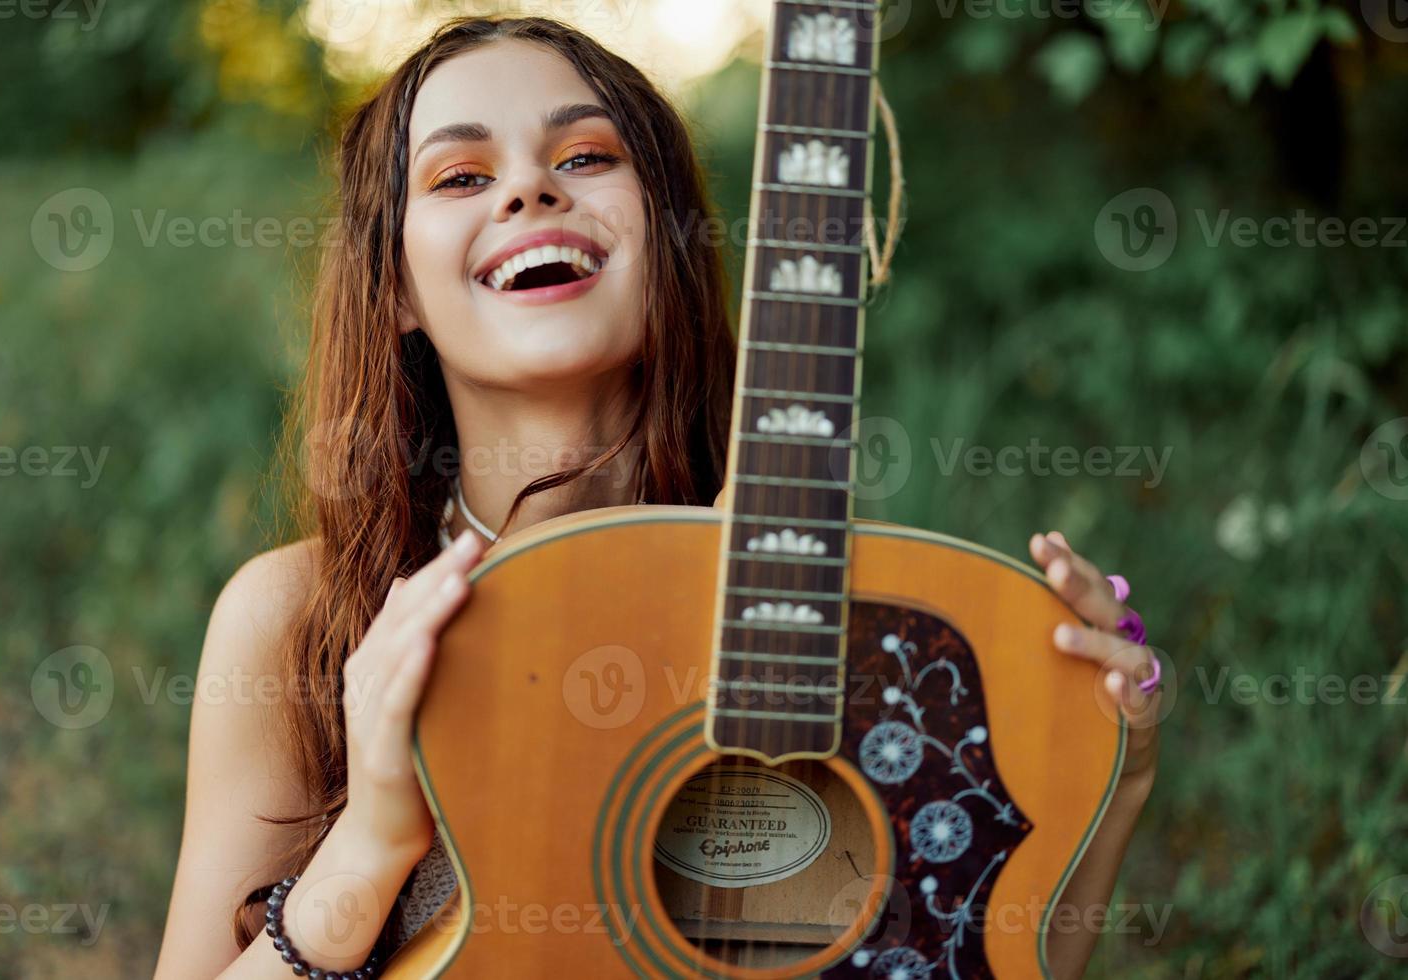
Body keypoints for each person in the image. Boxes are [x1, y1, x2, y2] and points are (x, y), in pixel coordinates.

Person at [154, 16, 1160, 979]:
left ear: (670, 233)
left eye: (587, 157)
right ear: (396, 290)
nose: (529, 191)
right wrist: (371, 842)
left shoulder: (841, 622)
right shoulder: (300, 618)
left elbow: (960, 959)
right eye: (462, 175)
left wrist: (1120, 768)